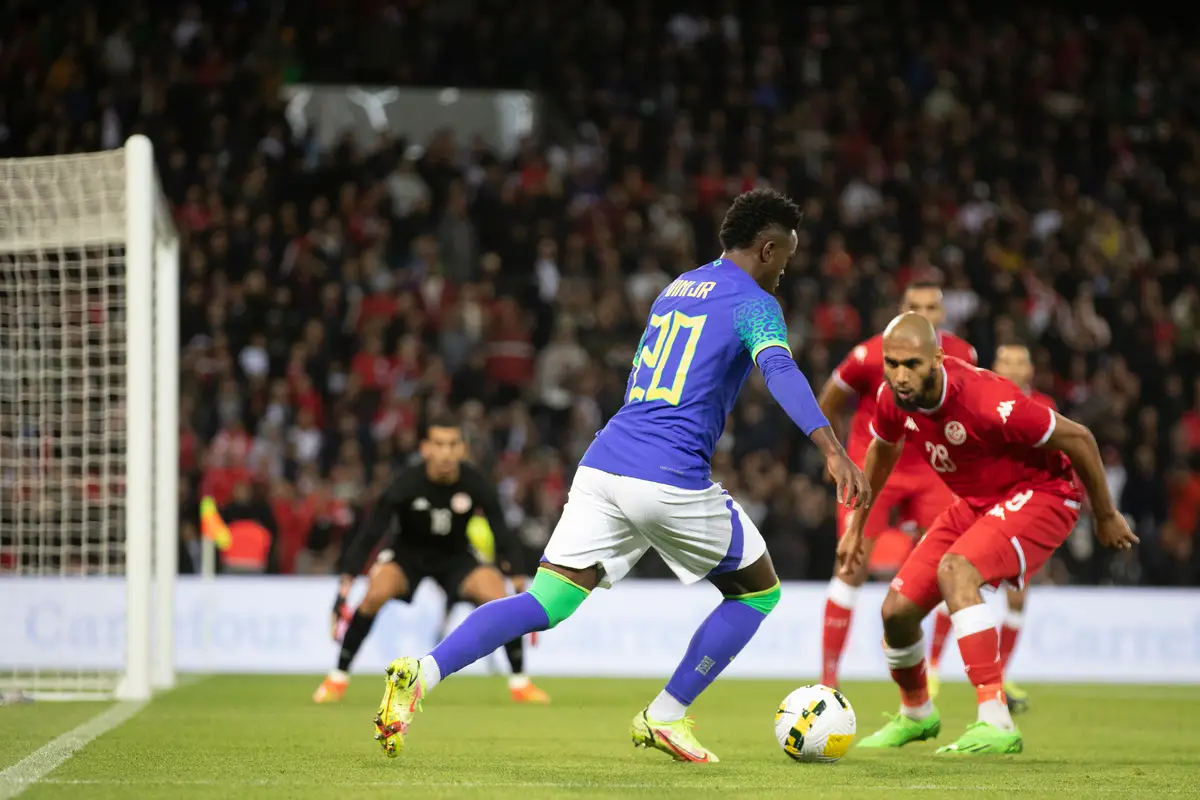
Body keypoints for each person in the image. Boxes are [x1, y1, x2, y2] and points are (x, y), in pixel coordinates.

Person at [370, 188, 870, 762]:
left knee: (546, 602)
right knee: (757, 592)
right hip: (668, 474)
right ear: (767, 249)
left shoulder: (676, 288)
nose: (786, 270)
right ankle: (666, 714)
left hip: (604, 463)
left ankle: (423, 672)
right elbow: (778, 368)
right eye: (787, 257)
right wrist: (832, 448)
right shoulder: (754, 302)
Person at [842, 313, 1136, 755]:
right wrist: (858, 527)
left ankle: (996, 720)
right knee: (896, 612)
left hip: (1042, 495)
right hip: (976, 504)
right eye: (892, 363)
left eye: (912, 365)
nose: (900, 376)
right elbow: (882, 451)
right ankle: (917, 713)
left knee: (956, 571)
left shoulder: (988, 400)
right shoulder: (892, 398)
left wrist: (1106, 514)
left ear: (937, 358)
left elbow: (1079, 438)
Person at [313, 416, 549, 706]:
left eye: (452, 444)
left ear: (462, 449)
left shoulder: (475, 483)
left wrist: (520, 586)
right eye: (439, 444)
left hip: (456, 555)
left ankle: (520, 683)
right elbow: (370, 534)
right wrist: (345, 588)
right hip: (407, 554)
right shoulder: (406, 483)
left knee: (498, 595)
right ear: (425, 448)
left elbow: (503, 534)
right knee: (375, 593)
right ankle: (337, 677)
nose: (446, 453)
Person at [816, 282, 977, 688]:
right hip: (873, 464)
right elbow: (828, 402)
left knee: (949, 566)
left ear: (943, 314)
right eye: (914, 305)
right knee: (850, 567)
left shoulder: (963, 355)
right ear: (900, 309)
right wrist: (834, 455)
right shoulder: (870, 355)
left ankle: (933, 667)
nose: (923, 313)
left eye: (931, 307)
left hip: (930, 469)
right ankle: (829, 681)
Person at [927, 342, 1056, 711]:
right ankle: (932, 668)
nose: (1012, 367)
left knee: (1017, 597)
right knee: (955, 581)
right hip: (981, 504)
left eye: (1019, 361)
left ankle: (1000, 676)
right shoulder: (978, 398)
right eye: (1005, 361)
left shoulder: (1044, 406)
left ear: (1030, 370)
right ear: (995, 366)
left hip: (1023, 507)